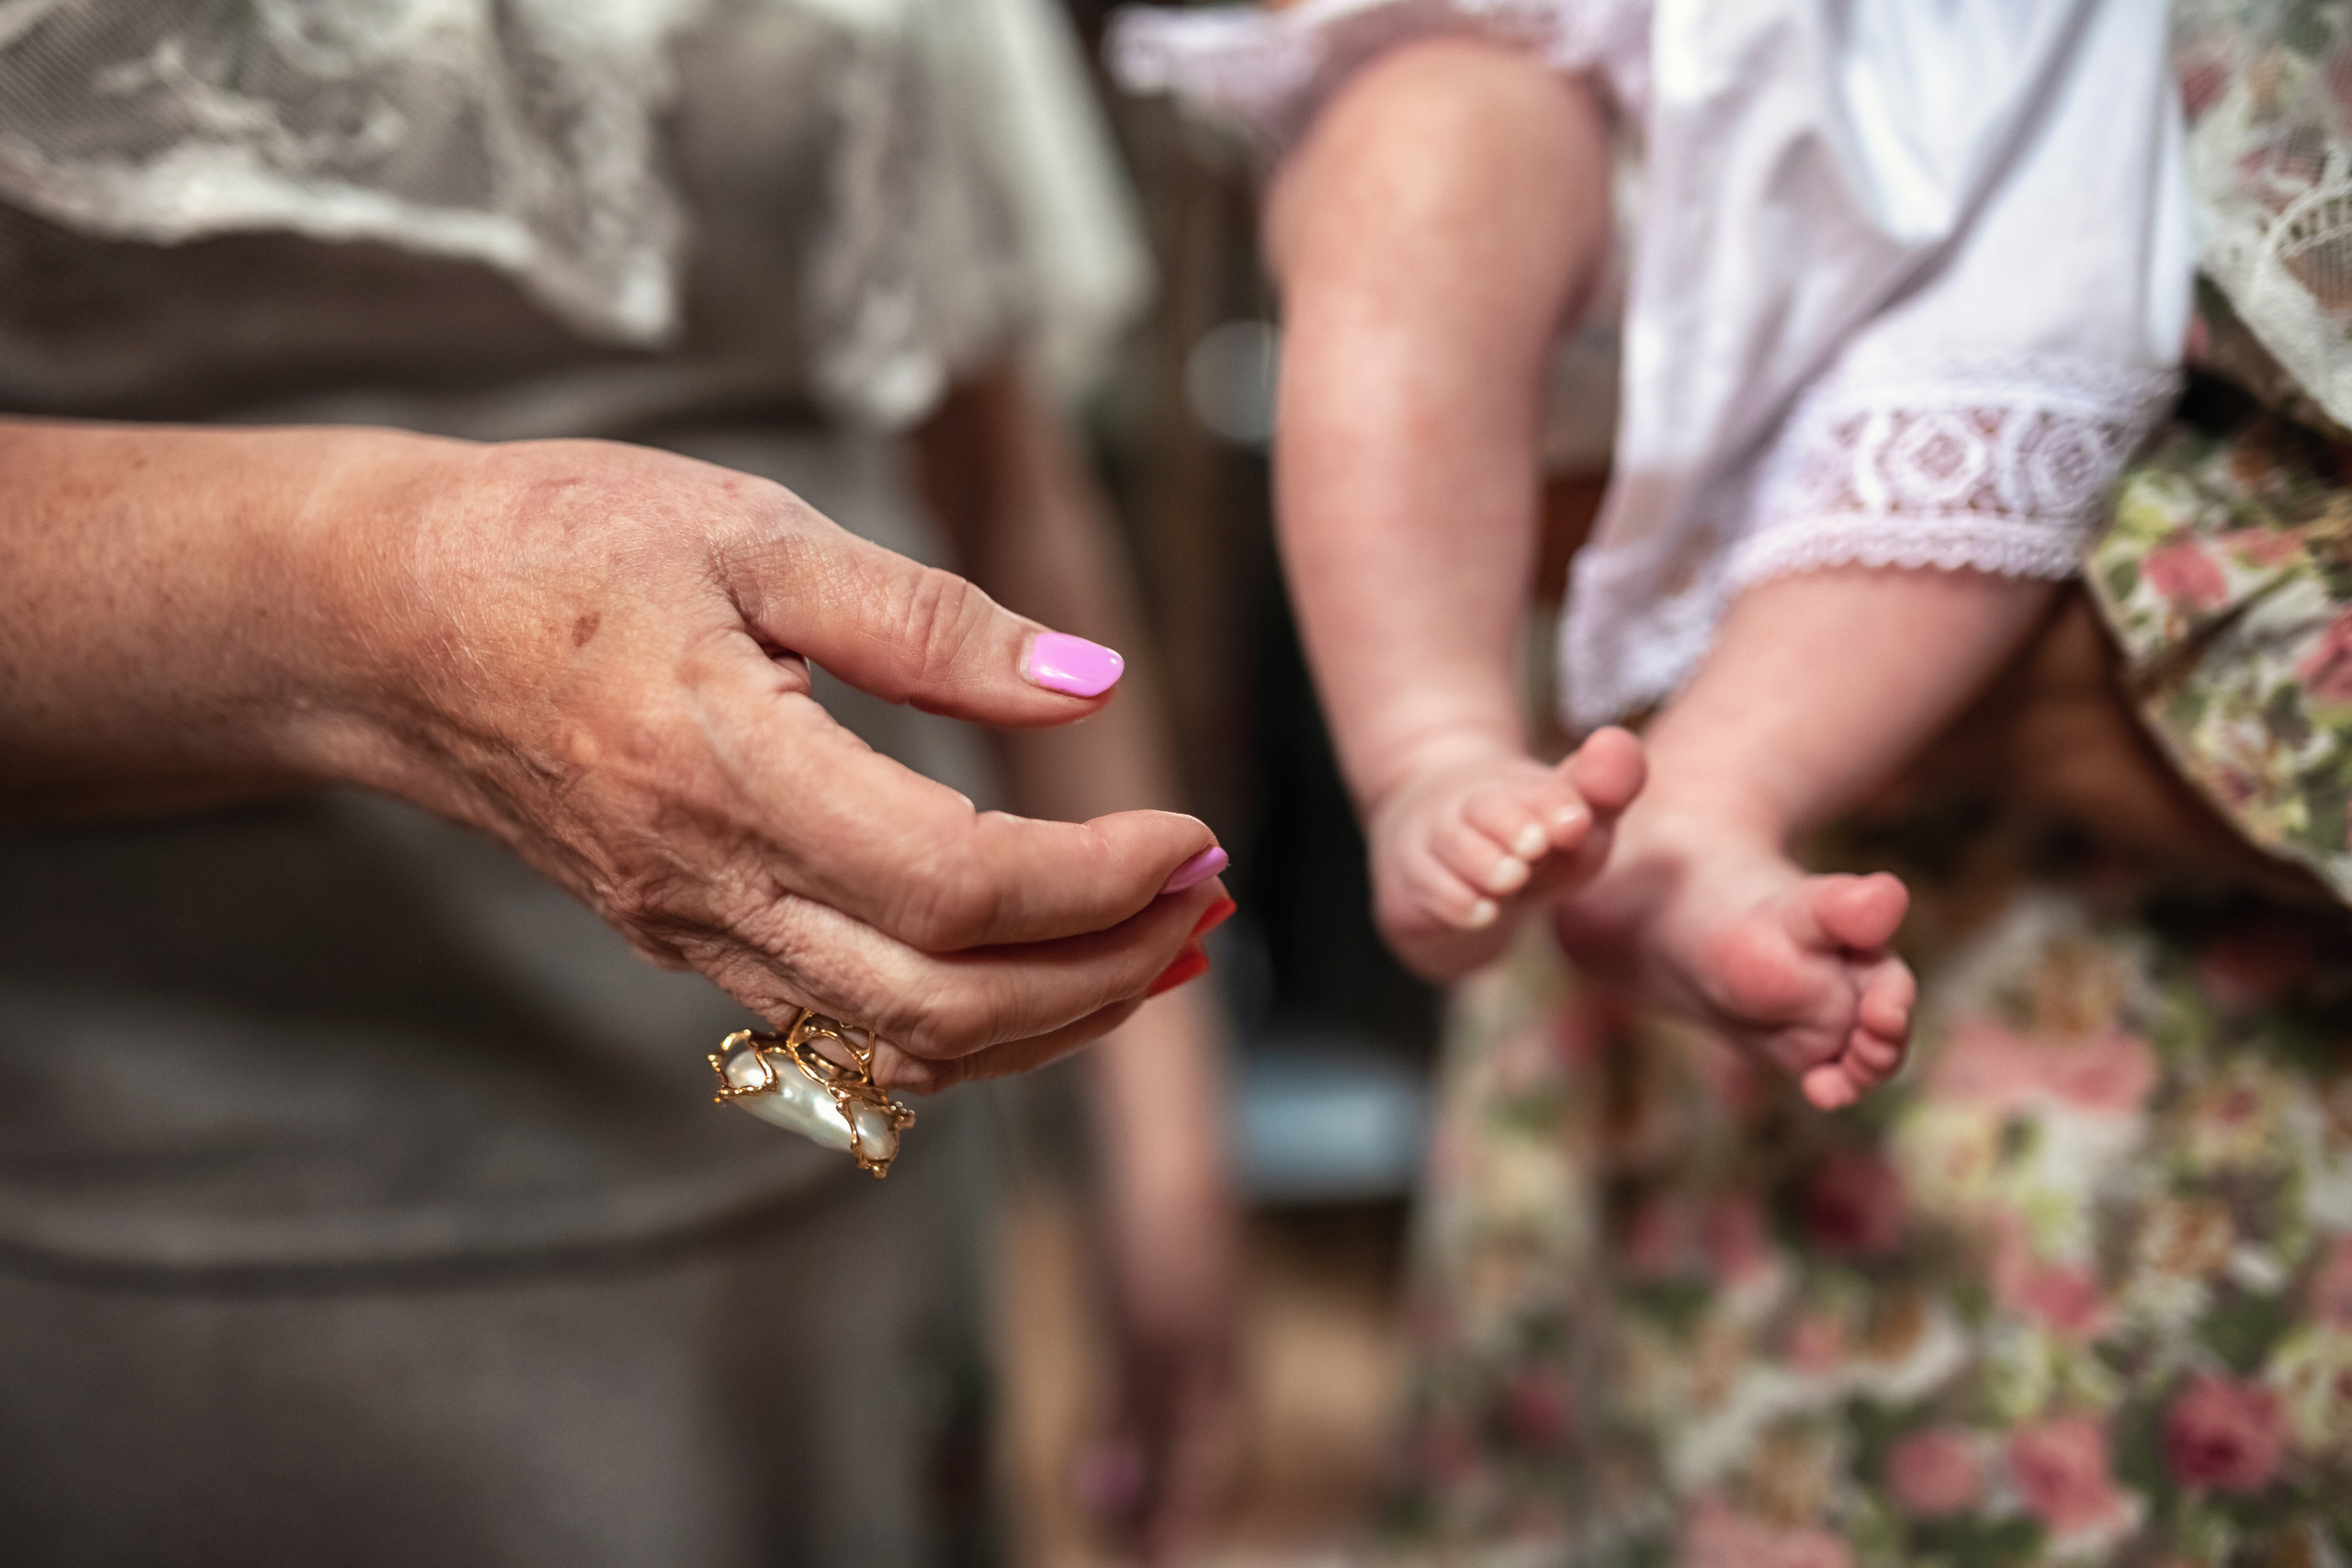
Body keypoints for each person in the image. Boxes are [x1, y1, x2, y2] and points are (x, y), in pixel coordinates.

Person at [0, 3, 1234, 1562]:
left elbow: (991, 469)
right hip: (214, 1211)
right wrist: (380, 600)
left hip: (843, 1147)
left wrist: (1167, 1129)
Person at [1114, 0, 2188, 1108]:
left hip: (1981, 119)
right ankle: (1428, 749)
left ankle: (1706, 805)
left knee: (2008, 380)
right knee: (1422, 146)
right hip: (1610, 82)